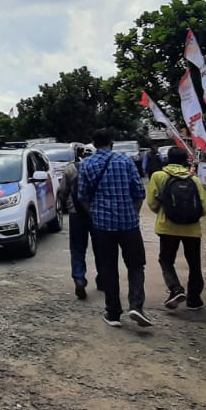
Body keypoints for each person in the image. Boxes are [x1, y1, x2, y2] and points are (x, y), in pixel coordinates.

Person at [77, 129, 151, 328]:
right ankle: (136, 305)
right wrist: (133, 213)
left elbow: (83, 196)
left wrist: (94, 213)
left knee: (108, 268)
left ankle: (113, 313)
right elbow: (139, 192)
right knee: (136, 265)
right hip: (129, 224)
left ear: (93, 143)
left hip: (102, 226)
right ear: (112, 142)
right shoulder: (125, 161)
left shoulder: (87, 164)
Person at [147, 146, 206, 310]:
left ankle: (175, 289)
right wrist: (192, 215)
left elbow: (152, 203)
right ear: (185, 161)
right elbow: (205, 207)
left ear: (167, 158)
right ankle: (194, 300)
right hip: (192, 228)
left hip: (167, 227)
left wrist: (164, 212)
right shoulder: (193, 179)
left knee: (166, 260)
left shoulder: (158, 176)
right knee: (194, 264)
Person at [60, 154, 99, 300]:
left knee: (77, 248)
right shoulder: (98, 166)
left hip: (75, 213)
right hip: (96, 213)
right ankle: (102, 280)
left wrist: (68, 203)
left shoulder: (70, 168)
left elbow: (63, 191)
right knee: (100, 248)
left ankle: (79, 279)